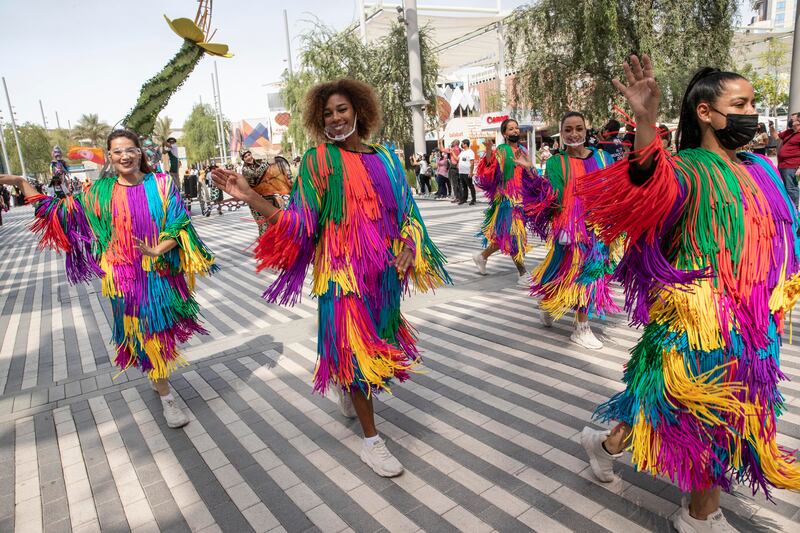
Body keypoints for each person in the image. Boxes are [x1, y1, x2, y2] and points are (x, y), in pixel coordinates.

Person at [578, 55, 800, 533]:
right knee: (698, 417)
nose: (751, 113)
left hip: (754, 326)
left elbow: (783, 236)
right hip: (695, 325)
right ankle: (697, 515)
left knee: (694, 418)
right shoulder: (684, 170)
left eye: (752, 104)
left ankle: (614, 453)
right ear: (705, 112)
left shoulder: (761, 168)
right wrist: (644, 122)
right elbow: (643, 186)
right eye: (739, 104)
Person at [211, 79, 450, 477]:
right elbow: (300, 221)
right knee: (358, 354)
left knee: (376, 350)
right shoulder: (319, 159)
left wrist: (409, 243)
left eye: (341, 110)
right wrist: (253, 198)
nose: (335, 119)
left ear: (359, 110)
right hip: (341, 277)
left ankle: (345, 381)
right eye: (327, 114)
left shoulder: (388, 157)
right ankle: (372, 441)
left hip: (383, 278)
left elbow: (408, 213)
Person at [0, 129, 217, 428]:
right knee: (146, 334)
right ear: (111, 157)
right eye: (117, 152)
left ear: (140, 152)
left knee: (160, 336)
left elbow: (180, 224)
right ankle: (167, 397)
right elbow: (60, 213)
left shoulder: (162, 184)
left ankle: (158, 376)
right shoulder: (99, 192)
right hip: (124, 279)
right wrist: (22, 183)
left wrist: (156, 250)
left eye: (130, 149)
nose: (125, 156)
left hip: (160, 273)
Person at [522, 111, 619, 350]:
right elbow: (551, 197)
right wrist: (532, 174)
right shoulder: (557, 162)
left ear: (587, 131)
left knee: (590, 276)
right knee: (560, 272)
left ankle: (581, 327)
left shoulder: (605, 158)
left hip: (599, 230)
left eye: (579, 128)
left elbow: (616, 189)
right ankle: (548, 301)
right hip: (571, 232)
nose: (574, 134)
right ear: (562, 134)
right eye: (568, 130)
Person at [473, 118, 532, 286]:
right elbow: (490, 166)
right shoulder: (502, 150)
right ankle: (522, 273)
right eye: (511, 129)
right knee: (515, 236)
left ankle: (482, 256)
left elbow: (529, 171)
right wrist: (490, 150)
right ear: (504, 133)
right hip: (507, 199)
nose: (515, 131)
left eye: (516, 128)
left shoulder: (522, 150)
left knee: (503, 236)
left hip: (521, 199)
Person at [240, 149, 271, 234]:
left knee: (270, 219)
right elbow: (255, 174)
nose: (248, 157)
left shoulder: (259, 162)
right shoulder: (245, 169)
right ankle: (263, 242)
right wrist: (265, 165)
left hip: (266, 195)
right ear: (243, 159)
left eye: (249, 155)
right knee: (262, 222)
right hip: (254, 198)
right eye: (245, 157)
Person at [777, 113, 800, 207]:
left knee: (791, 188)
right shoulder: (789, 132)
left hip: (791, 166)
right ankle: (787, 207)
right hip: (782, 165)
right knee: (783, 187)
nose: (790, 120)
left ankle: (794, 209)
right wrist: (771, 127)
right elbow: (776, 137)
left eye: (793, 118)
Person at [457, 139, 476, 205]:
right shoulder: (462, 152)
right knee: (464, 187)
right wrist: (452, 152)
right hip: (461, 172)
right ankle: (464, 199)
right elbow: (457, 159)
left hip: (467, 172)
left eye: (462, 144)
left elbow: (472, 162)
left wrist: (471, 172)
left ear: (465, 144)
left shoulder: (470, 152)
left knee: (470, 186)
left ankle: (473, 199)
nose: (461, 145)